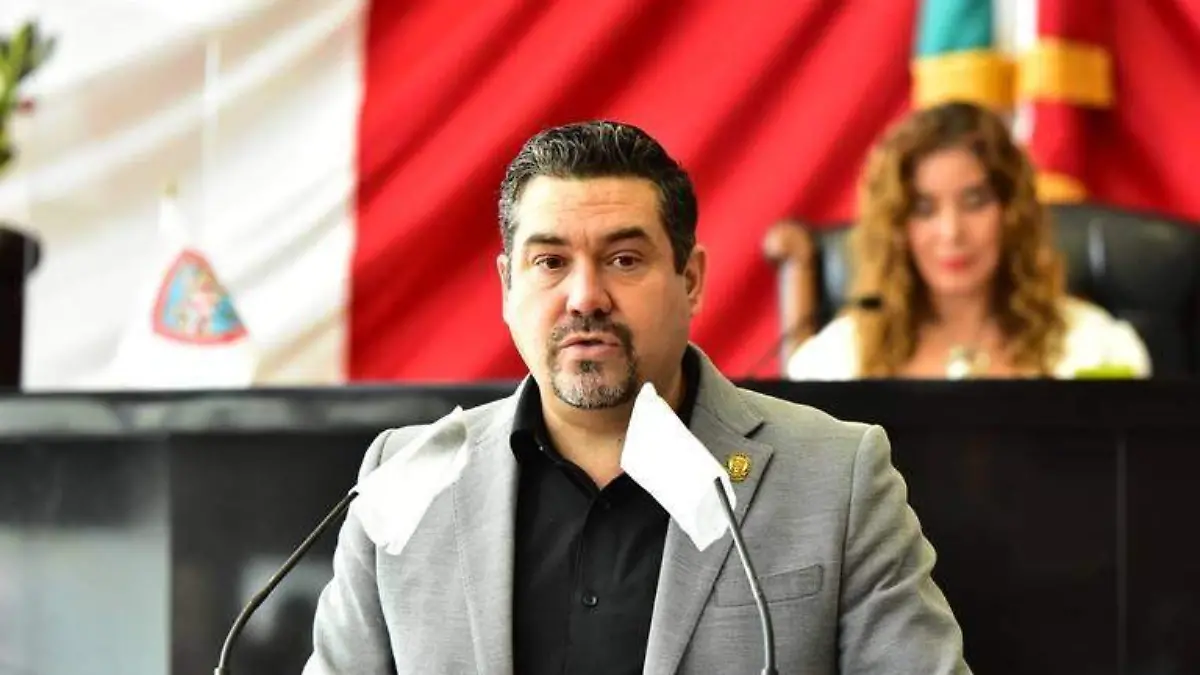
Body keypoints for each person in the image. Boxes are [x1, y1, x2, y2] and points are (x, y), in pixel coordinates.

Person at [304, 120, 970, 674]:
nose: (585, 297)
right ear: (508, 285)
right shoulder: (407, 479)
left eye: (624, 259)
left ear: (691, 280)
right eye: (550, 262)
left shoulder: (835, 476)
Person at [786, 101, 1151, 381]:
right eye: (924, 209)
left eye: (975, 202)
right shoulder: (838, 361)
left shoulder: (1093, 347)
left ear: (1012, 213)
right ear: (896, 228)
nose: (952, 232)